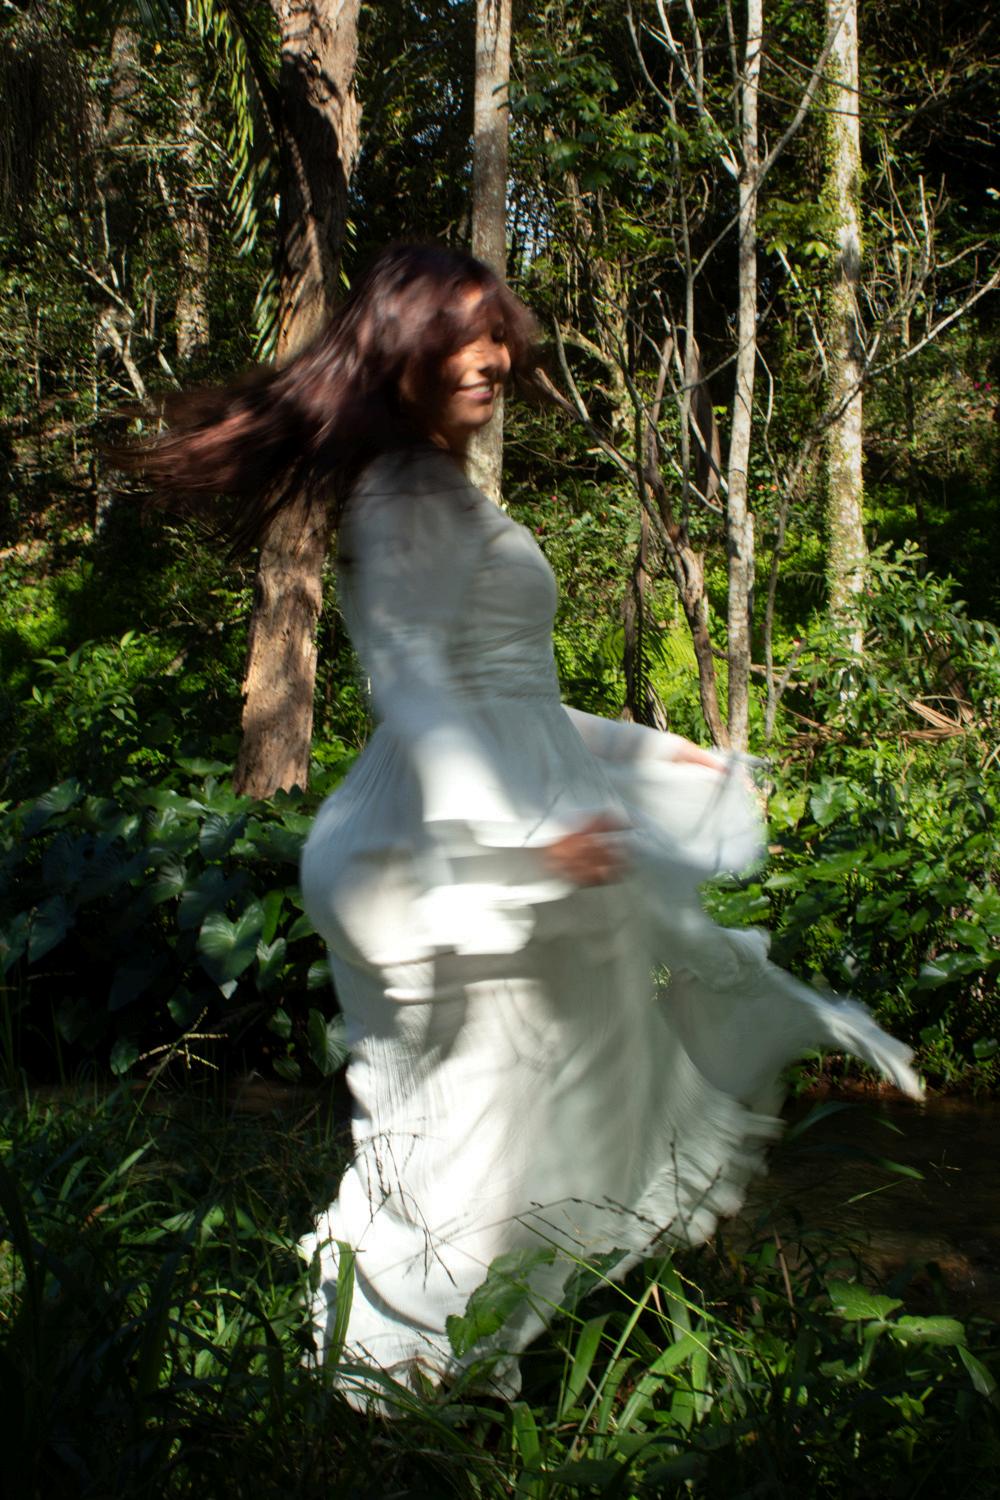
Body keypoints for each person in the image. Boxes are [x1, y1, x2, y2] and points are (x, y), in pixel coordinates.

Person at [131, 245, 922, 1410]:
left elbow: (511, 695)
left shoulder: (435, 487)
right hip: (438, 862)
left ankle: (393, 1386)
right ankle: (389, 1395)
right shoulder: (404, 494)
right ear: (400, 349)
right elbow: (413, 686)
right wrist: (510, 838)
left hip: (459, 845)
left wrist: (647, 751)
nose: (491, 355)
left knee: (475, 1123)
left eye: (496, 330)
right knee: (475, 1135)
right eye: (461, 334)